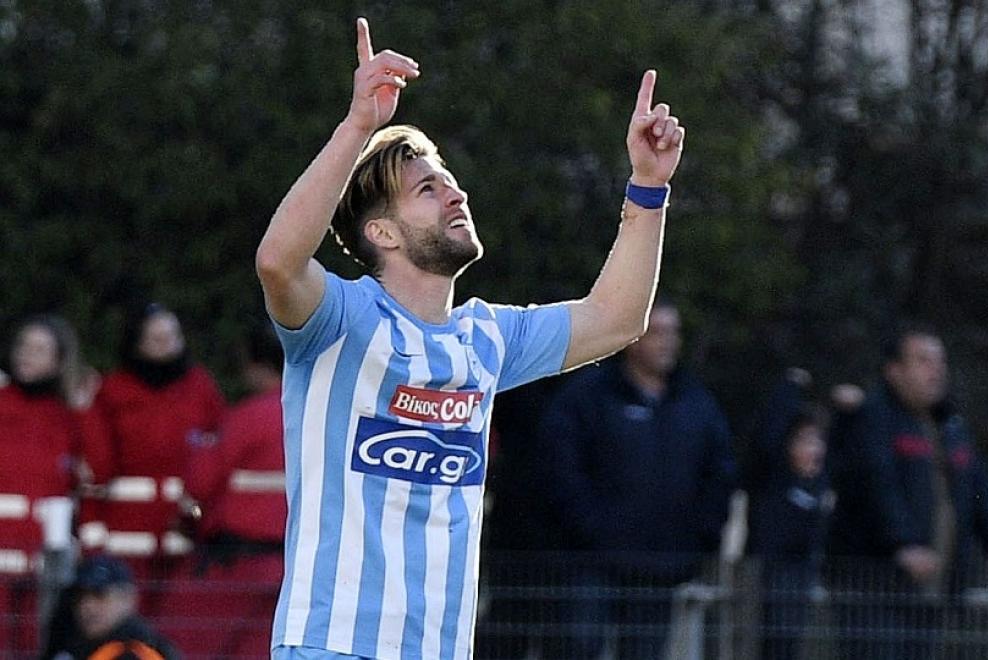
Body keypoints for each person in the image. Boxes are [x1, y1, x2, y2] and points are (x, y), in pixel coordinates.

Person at [254, 15, 685, 660]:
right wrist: (357, 127)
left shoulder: (486, 337)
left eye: (450, 181)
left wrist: (648, 187)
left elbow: (617, 318)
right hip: (332, 645)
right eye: (427, 189)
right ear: (383, 233)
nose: (456, 194)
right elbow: (277, 263)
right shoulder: (339, 320)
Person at [527, 301, 737, 659]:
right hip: (592, 562)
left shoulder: (696, 404)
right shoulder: (587, 397)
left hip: (662, 565)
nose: (667, 342)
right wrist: (588, 527)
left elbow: (719, 474)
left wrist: (698, 538)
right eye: (657, 332)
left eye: (673, 332)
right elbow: (559, 468)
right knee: (577, 647)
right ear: (632, 338)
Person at [827, 323, 988, 659]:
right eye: (923, 361)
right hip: (872, 586)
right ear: (894, 371)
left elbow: (978, 488)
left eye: (940, 361)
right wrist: (903, 544)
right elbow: (876, 486)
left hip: (929, 589)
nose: (936, 371)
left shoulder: (950, 425)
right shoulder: (873, 419)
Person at [162, 322, 286, 657]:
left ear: (256, 364)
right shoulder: (317, 415)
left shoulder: (246, 418)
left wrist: (190, 521)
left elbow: (199, 487)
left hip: (234, 566)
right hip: (292, 569)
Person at [81, 303, 225, 577]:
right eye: (157, 339)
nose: (168, 345)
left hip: (184, 531)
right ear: (137, 344)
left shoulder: (200, 387)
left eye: (173, 336)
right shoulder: (113, 391)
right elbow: (95, 466)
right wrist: (93, 537)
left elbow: (217, 451)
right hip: (124, 531)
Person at [0, 315, 102, 653]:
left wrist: (84, 408)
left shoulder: (69, 415)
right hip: (4, 550)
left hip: (47, 561)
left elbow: (99, 470)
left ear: (60, 361)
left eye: (40, 349)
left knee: (38, 646)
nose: (27, 355)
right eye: (23, 346)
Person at [743, 369, 833, 660]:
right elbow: (769, 435)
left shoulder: (822, 485)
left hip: (802, 585)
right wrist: (789, 388)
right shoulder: (774, 478)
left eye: (818, 441)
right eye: (805, 441)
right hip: (766, 583)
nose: (814, 450)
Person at [42, 554, 179, 660]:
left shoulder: (140, 653)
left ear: (127, 599)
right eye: (80, 597)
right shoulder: (70, 646)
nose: (87, 606)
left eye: (99, 595)